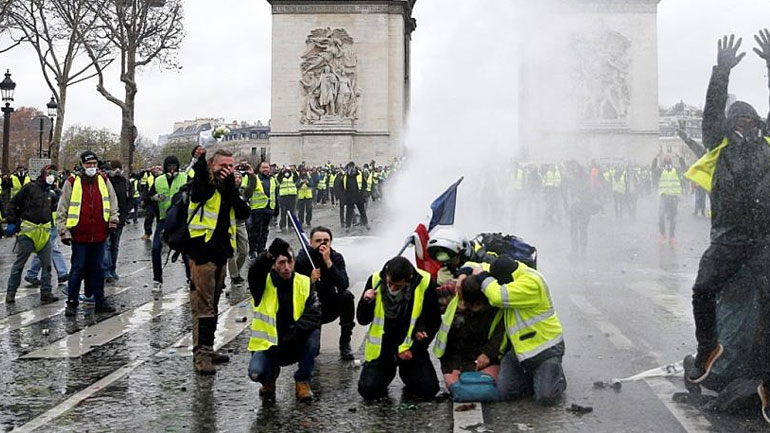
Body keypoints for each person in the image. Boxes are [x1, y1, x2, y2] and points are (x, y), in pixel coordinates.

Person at [685, 32, 770, 425]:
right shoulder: (719, 146)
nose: (746, 125)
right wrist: (721, 72)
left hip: (762, 242)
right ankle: (707, 350)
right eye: (740, 119)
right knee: (702, 290)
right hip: (727, 241)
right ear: (730, 124)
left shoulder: (767, 145)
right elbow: (711, 110)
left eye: (751, 120)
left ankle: (766, 376)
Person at [459, 256, 566, 405]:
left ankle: (556, 376)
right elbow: (476, 265)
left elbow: (497, 296)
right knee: (506, 393)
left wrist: (483, 277)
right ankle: (536, 377)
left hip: (545, 351)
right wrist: (463, 273)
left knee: (545, 398)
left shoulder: (532, 283)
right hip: (519, 352)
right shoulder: (508, 269)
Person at [187, 147, 250, 374]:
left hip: (222, 253)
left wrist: (233, 188)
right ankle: (201, 355)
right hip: (202, 251)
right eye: (222, 165)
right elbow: (200, 180)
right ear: (213, 165)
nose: (227, 170)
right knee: (203, 306)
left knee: (213, 305)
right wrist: (201, 159)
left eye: (230, 166)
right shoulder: (204, 184)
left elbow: (244, 212)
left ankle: (209, 348)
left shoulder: (229, 188)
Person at [247, 238, 322, 402]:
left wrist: (293, 334)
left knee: (314, 334)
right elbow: (254, 271)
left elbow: (314, 314)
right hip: (269, 345)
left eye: (289, 261)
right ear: (273, 264)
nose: (286, 267)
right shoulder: (262, 284)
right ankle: (269, 378)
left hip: (295, 340)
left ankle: (302, 380)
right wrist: (268, 255)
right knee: (256, 372)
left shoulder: (305, 282)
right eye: (281, 262)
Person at [357, 256, 440, 400]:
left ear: (409, 279)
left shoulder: (424, 282)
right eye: (390, 283)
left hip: (409, 347)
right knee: (368, 391)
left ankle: (408, 374)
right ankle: (387, 372)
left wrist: (415, 349)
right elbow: (362, 320)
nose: (392, 288)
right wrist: (366, 302)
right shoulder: (376, 279)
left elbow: (434, 321)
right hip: (382, 349)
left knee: (428, 390)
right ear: (387, 275)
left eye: (398, 286)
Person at [58, 151, 119, 316]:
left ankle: (100, 301)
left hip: (99, 233)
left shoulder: (104, 181)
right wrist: (64, 231)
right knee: (77, 269)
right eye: (88, 164)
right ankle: (72, 302)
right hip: (79, 235)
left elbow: (112, 203)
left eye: (94, 164)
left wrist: (113, 222)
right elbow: (62, 207)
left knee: (98, 269)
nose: (91, 167)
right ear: (82, 165)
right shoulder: (72, 182)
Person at [434, 266, 505, 396]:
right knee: (456, 388)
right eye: (472, 304)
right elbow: (449, 346)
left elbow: (500, 334)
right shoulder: (450, 297)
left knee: (489, 387)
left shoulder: (496, 303)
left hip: (485, 355)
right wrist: (453, 368)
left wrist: (488, 354)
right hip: (456, 356)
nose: (475, 308)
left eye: (479, 304)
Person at [295, 226, 355, 360]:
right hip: (310, 306)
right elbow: (294, 289)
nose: (322, 244)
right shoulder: (303, 258)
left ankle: (345, 342)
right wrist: (310, 280)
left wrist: (329, 263)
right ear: (311, 242)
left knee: (347, 296)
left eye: (326, 241)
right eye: (318, 241)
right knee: (313, 351)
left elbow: (343, 284)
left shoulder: (336, 257)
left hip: (329, 304)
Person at [4, 165, 61, 304]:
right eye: (49, 173)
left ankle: (46, 292)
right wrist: (11, 221)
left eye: (54, 173)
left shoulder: (51, 192)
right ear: (43, 174)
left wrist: (58, 195)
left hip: (44, 232)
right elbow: (13, 203)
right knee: (19, 264)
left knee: (47, 265)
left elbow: (52, 208)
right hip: (28, 231)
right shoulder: (29, 188)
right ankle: (11, 292)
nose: (51, 176)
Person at [149, 156, 189, 298]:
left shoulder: (184, 177)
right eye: (169, 167)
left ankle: (190, 278)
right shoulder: (158, 180)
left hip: (180, 220)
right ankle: (157, 279)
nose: (172, 169)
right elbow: (147, 197)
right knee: (155, 249)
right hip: (163, 219)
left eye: (174, 166)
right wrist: (154, 197)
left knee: (185, 252)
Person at [103, 160, 130, 283]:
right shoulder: (105, 181)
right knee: (107, 245)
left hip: (120, 218)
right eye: (115, 168)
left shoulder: (124, 182)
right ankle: (107, 271)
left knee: (115, 246)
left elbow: (127, 199)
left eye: (119, 168)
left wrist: (124, 215)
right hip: (108, 218)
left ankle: (112, 269)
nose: (117, 170)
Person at [246, 161, 278, 259]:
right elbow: (248, 192)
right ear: (259, 168)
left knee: (264, 232)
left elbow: (275, 195)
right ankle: (253, 251)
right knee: (255, 232)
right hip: (257, 209)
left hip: (268, 210)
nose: (265, 169)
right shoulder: (255, 178)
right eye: (263, 167)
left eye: (267, 167)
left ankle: (261, 250)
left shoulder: (273, 180)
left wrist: (276, 208)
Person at [653, 156, 683, 245]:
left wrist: (680, 158)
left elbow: (684, 168)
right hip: (664, 196)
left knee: (673, 218)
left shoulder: (676, 170)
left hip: (674, 197)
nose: (668, 164)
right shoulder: (661, 171)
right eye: (666, 163)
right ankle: (662, 234)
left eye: (669, 162)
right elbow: (653, 169)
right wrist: (655, 159)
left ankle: (672, 236)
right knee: (661, 215)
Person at [228, 171, 249, 285]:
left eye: (239, 178)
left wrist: (251, 175)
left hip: (241, 222)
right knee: (231, 250)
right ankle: (234, 275)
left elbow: (252, 187)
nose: (238, 180)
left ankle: (236, 270)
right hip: (230, 222)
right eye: (235, 177)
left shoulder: (243, 191)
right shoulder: (228, 191)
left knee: (244, 251)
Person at [341, 162, 369, 231]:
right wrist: (344, 195)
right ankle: (348, 226)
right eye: (349, 167)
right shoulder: (345, 176)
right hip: (349, 197)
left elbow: (365, 184)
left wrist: (362, 192)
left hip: (358, 196)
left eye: (352, 167)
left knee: (362, 211)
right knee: (349, 212)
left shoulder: (359, 174)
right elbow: (342, 186)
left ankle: (366, 224)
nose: (351, 168)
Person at [277, 167, 297, 233]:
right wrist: (281, 172)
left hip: (292, 195)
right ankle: (282, 225)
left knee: (291, 211)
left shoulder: (292, 177)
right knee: (283, 211)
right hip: (283, 196)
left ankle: (290, 225)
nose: (287, 174)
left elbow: (296, 178)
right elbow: (278, 178)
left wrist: (294, 171)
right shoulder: (281, 177)